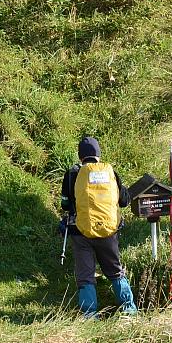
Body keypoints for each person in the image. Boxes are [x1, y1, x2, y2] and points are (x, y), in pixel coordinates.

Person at [60, 136, 137, 317]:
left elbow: (65, 204)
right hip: (108, 232)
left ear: (81, 157)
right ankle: (129, 310)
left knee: (86, 275)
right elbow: (124, 201)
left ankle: (89, 314)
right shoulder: (111, 173)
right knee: (115, 271)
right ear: (98, 155)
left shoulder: (72, 174)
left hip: (81, 232)